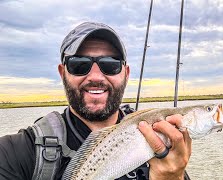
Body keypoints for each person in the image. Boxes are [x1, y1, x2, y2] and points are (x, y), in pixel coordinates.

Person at [0, 22, 191, 180]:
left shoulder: (162, 147)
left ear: (126, 73)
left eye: (110, 65)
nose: (96, 76)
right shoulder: (14, 153)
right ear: (62, 73)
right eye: (79, 64)